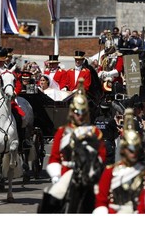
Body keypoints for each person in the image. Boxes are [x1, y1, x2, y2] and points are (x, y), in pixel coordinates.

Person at [39, 78, 106, 213]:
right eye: (77, 112)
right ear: (72, 112)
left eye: (82, 112)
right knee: (50, 199)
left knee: (103, 206)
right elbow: (54, 158)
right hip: (67, 174)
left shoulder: (95, 133)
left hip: (89, 175)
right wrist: (56, 175)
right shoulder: (62, 132)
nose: (79, 116)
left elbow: (102, 157)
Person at [93, 108, 145, 214]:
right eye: (130, 149)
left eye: (135, 148)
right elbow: (101, 201)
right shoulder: (110, 172)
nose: (133, 153)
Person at [94, 100, 120, 165]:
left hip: (99, 144)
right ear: (109, 110)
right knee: (110, 165)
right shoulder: (111, 120)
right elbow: (116, 135)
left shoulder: (97, 120)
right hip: (109, 145)